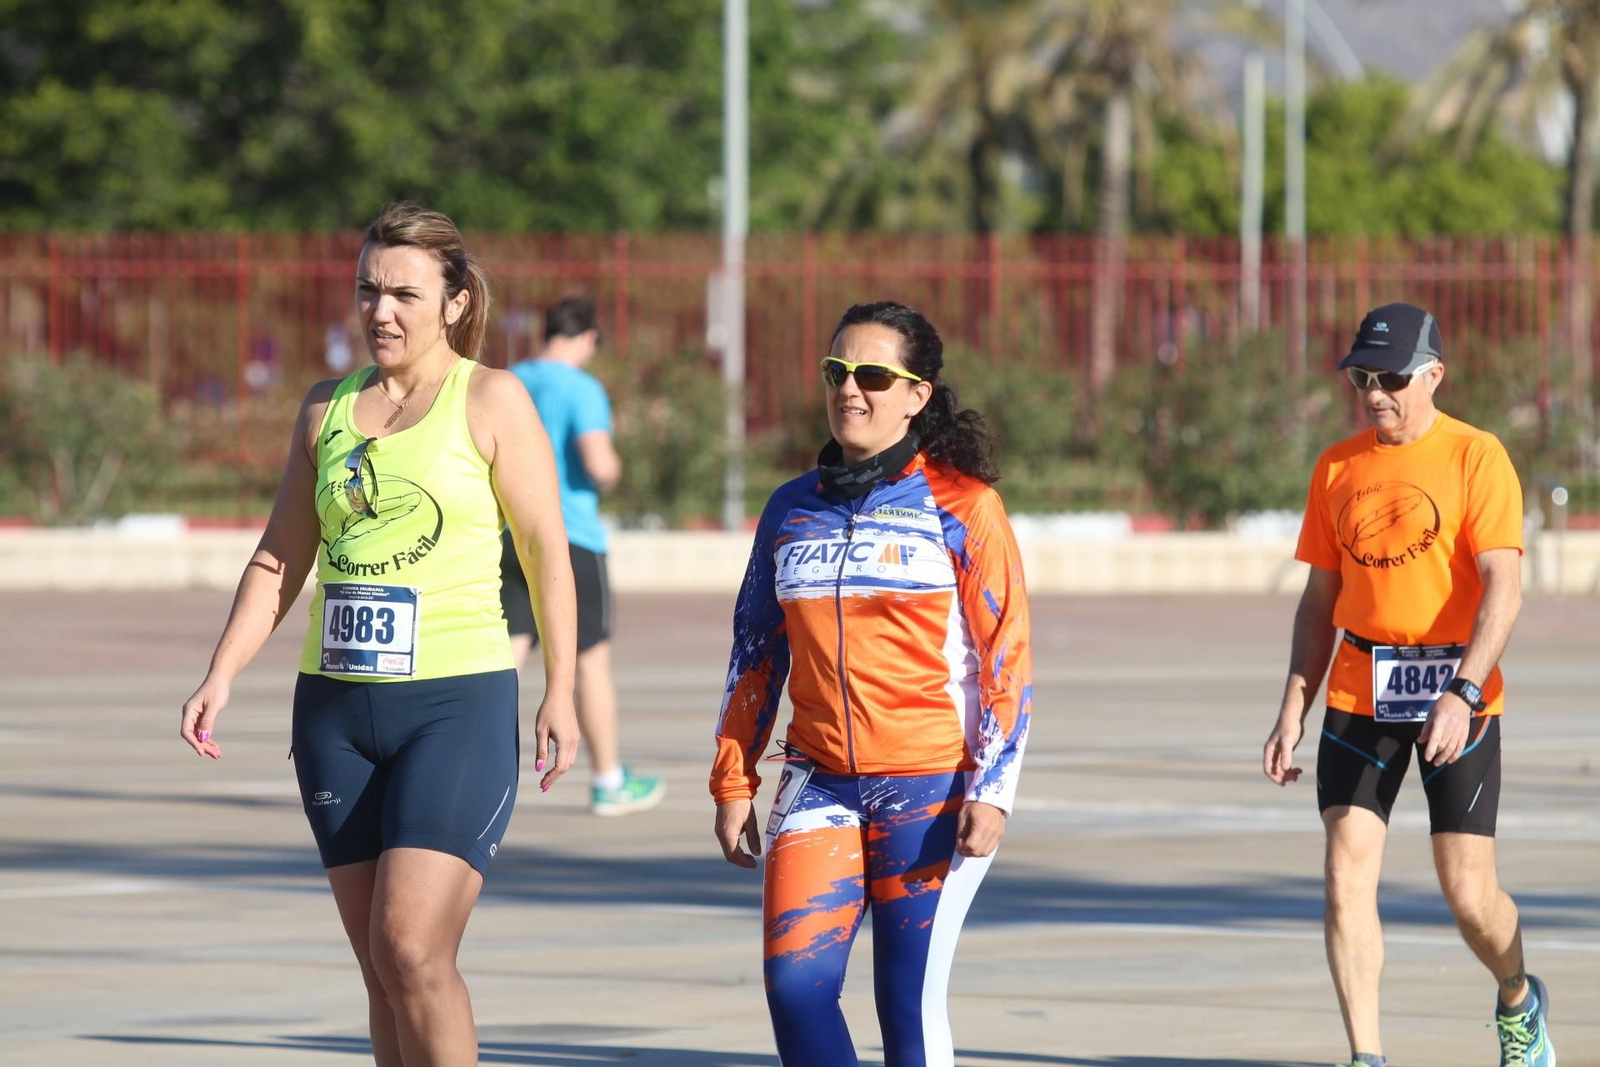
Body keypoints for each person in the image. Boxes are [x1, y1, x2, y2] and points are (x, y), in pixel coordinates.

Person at [180, 202, 580, 1066]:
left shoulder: (493, 399)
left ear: (456, 302)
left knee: (413, 947)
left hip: (455, 705)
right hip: (333, 712)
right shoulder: (325, 410)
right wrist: (222, 673)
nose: (381, 311)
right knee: (378, 967)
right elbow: (279, 559)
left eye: (404, 292)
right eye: (367, 289)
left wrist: (563, 690)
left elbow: (550, 551)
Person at [711, 300, 1032, 1067]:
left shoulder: (965, 505)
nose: (849, 389)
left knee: (906, 1004)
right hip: (817, 781)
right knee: (796, 987)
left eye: (873, 375)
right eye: (837, 371)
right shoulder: (791, 508)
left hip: (931, 789)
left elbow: (1006, 657)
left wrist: (993, 789)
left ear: (917, 393)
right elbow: (755, 650)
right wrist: (732, 779)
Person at [1262, 303, 1556, 1067]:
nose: (1375, 393)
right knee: (1344, 870)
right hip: (1361, 691)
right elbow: (1318, 602)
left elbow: (1504, 588)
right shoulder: (1336, 466)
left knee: (1469, 894)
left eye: (1390, 377)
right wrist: (1294, 703)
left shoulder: (1476, 457)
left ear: (1434, 375)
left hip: (1457, 690)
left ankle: (1519, 996)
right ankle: (1366, 1056)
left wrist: (1461, 690)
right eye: (1363, 376)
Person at [500, 295, 664, 816]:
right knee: (589, 659)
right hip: (571, 537)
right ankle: (609, 780)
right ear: (589, 338)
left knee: (506, 651)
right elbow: (599, 464)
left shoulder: (508, 380)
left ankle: (469, 762)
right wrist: (614, 469)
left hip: (508, 532)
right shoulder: (583, 389)